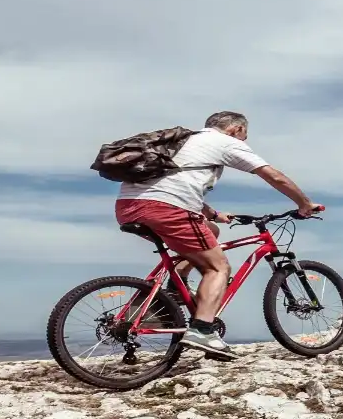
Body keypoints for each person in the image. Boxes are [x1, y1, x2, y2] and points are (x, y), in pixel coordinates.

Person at [114, 111, 323, 361]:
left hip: (128, 207)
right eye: (244, 136)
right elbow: (273, 176)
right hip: (167, 209)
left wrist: (212, 213)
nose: (243, 142)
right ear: (236, 129)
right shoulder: (224, 142)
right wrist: (305, 203)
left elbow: (170, 185)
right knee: (218, 268)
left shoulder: (182, 142)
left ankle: (176, 286)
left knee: (210, 232)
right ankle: (202, 330)